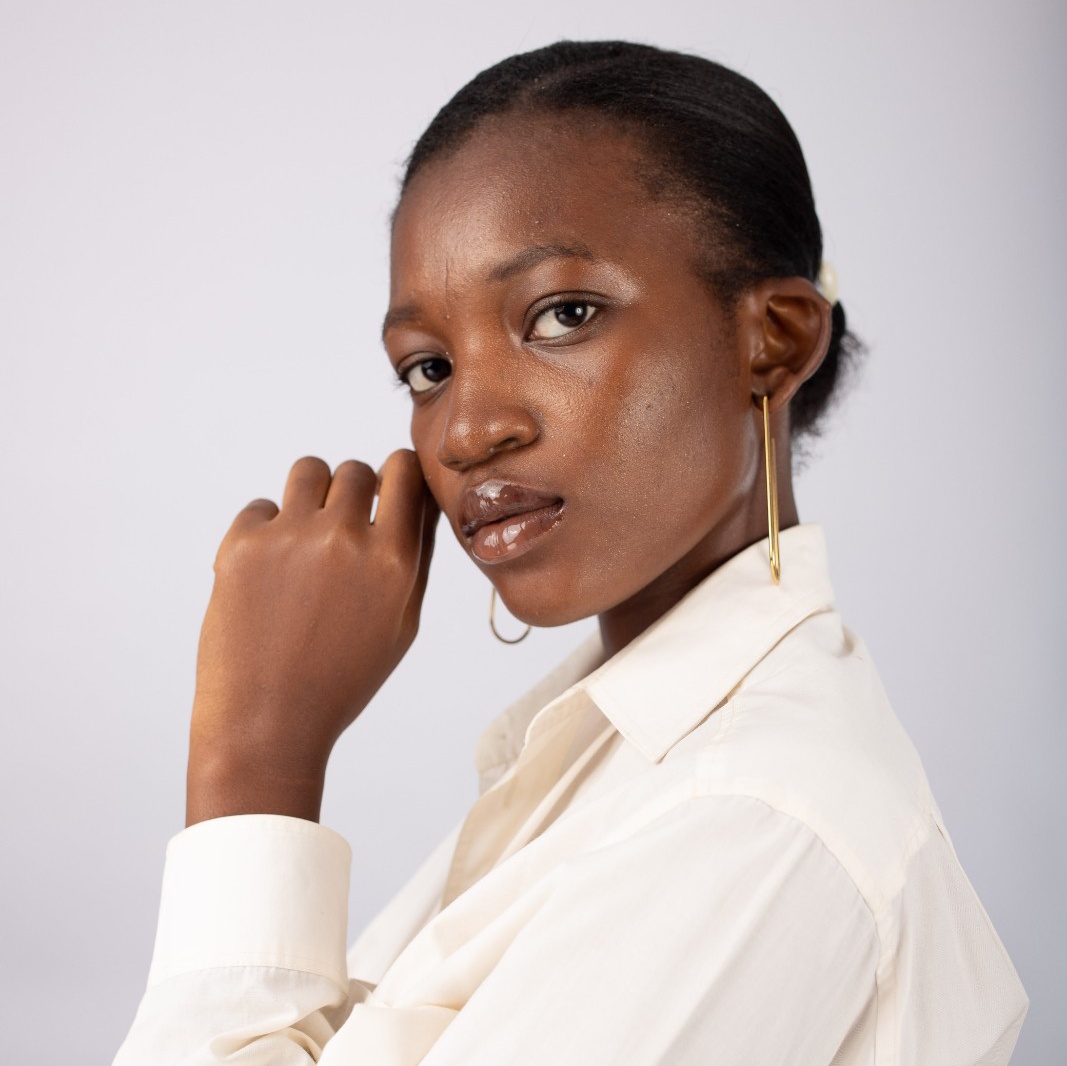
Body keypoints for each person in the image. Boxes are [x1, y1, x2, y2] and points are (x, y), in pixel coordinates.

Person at [114, 40, 1027, 1065]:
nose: (466, 432)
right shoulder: (610, 764)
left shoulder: (749, 816)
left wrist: (253, 759)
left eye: (561, 315)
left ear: (771, 339)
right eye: (427, 368)